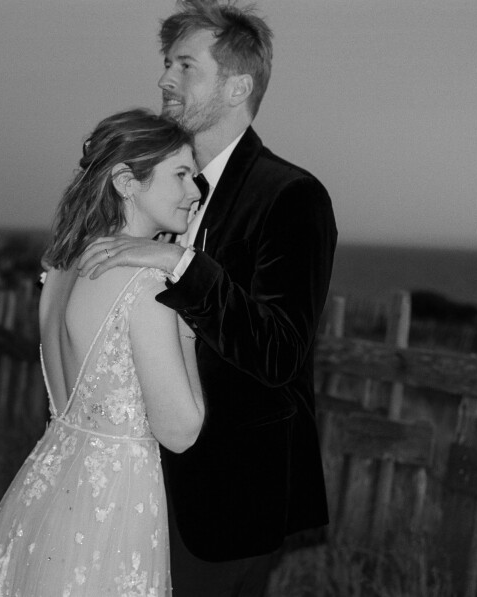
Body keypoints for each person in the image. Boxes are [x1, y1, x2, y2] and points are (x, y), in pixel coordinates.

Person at [77, 1, 338, 595]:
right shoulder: (160, 186)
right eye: (166, 63)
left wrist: (180, 263)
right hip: (138, 481)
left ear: (237, 85)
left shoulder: (291, 197)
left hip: (232, 492)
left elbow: (280, 351)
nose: (165, 79)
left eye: (185, 66)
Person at [0, 109, 205, 596]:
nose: (196, 190)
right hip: (111, 511)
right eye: (180, 174)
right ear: (126, 182)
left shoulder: (60, 268)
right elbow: (181, 431)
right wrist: (188, 324)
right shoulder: (146, 285)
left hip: (47, 489)